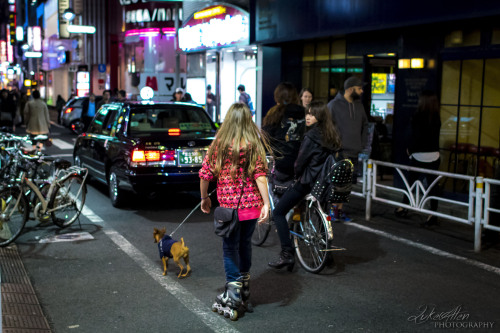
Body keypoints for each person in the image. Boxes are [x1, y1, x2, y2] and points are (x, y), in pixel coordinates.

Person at [199, 102, 271, 317]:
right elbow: (260, 174)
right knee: (244, 244)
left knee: (230, 248)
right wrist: (266, 203)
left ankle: (233, 290)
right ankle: (245, 283)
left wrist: (204, 198)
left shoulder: (220, 144)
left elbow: (205, 174)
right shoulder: (253, 143)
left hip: (229, 210)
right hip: (251, 208)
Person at [268, 101, 341, 271]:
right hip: (323, 184)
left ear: (319, 116)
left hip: (307, 183)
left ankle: (287, 254)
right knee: (323, 214)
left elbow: (300, 163)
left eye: (312, 114)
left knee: (278, 212)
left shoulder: (310, 136)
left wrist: (296, 175)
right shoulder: (332, 135)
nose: (308, 117)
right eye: (307, 114)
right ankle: (326, 253)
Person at [395, 90, 442, 226]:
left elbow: (415, 137)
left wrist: (410, 150)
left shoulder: (418, 116)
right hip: (434, 155)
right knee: (433, 187)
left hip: (419, 155)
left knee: (410, 183)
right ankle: (433, 214)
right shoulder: (436, 117)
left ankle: (404, 207)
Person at [327, 76, 369, 222]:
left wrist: (362, 144)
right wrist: (334, 146)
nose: (362, 91)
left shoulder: (359, 106)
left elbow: (365, 125)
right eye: (359, 88)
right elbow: (327, 127)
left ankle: (340, 210)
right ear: (350, 89)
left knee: (347, 184)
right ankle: (334, 210)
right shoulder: (333, 105)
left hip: (354, 150)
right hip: (340, 151)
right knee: (338, 182)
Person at [262, 82, 305, 205]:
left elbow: (265, 139)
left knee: (271, 182)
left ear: (277, 97)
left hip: (282, 165)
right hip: (302, 165)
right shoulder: (305, 113)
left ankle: (279, 211)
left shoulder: (274, 114)